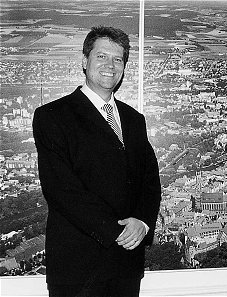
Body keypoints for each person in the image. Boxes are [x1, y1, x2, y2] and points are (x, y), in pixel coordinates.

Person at [33, 26, 161, 297]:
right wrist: (116, 232)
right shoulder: (53, 116)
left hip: (126, 266)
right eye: (101, 56)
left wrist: (143, 221)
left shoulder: (134, 120)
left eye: (118, 59)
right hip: (78, 267)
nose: (110, 66)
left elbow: (150, 180)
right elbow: (61, 189)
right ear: (84, 61)